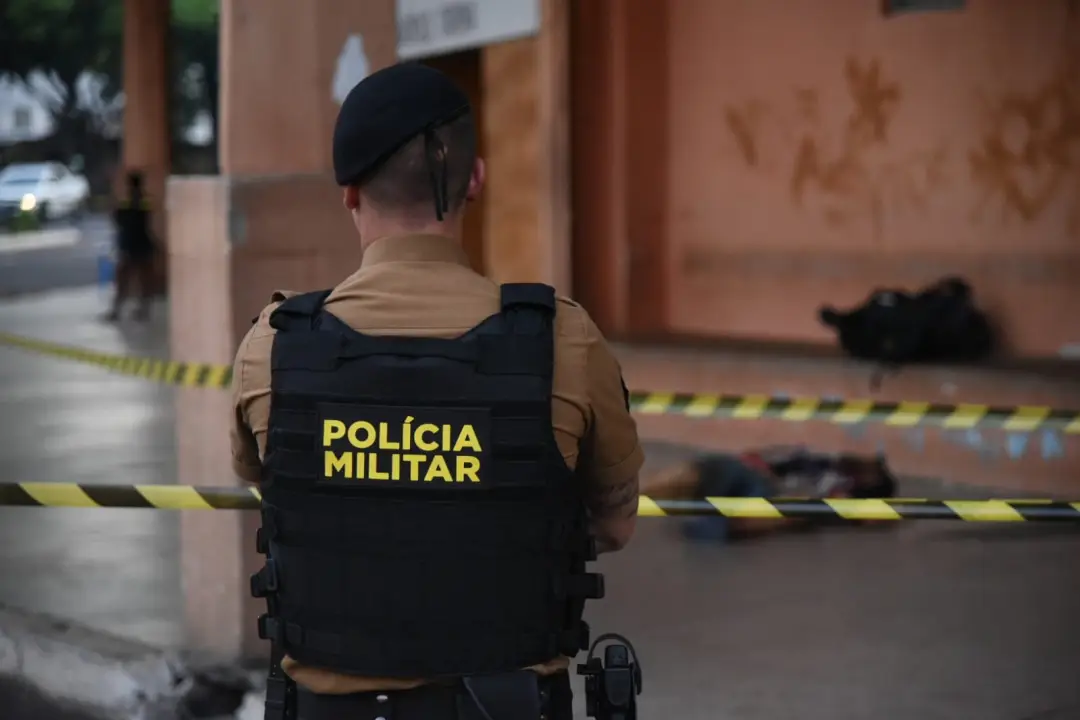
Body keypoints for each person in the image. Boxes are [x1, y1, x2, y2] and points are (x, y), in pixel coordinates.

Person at [229, 62, 644, 720]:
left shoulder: (273, 347)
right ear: (475, 179)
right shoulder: (564, 340)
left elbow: (271, 484)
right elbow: (615, 523)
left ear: (349, 193)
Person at [105, 170, 156, 321]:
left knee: (124, 279)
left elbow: (118, 220)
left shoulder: (127, 202)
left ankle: (117, 310)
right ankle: (142, 310)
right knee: (142, 280)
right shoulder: (144, 202)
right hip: (141, 243)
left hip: (130, 244)